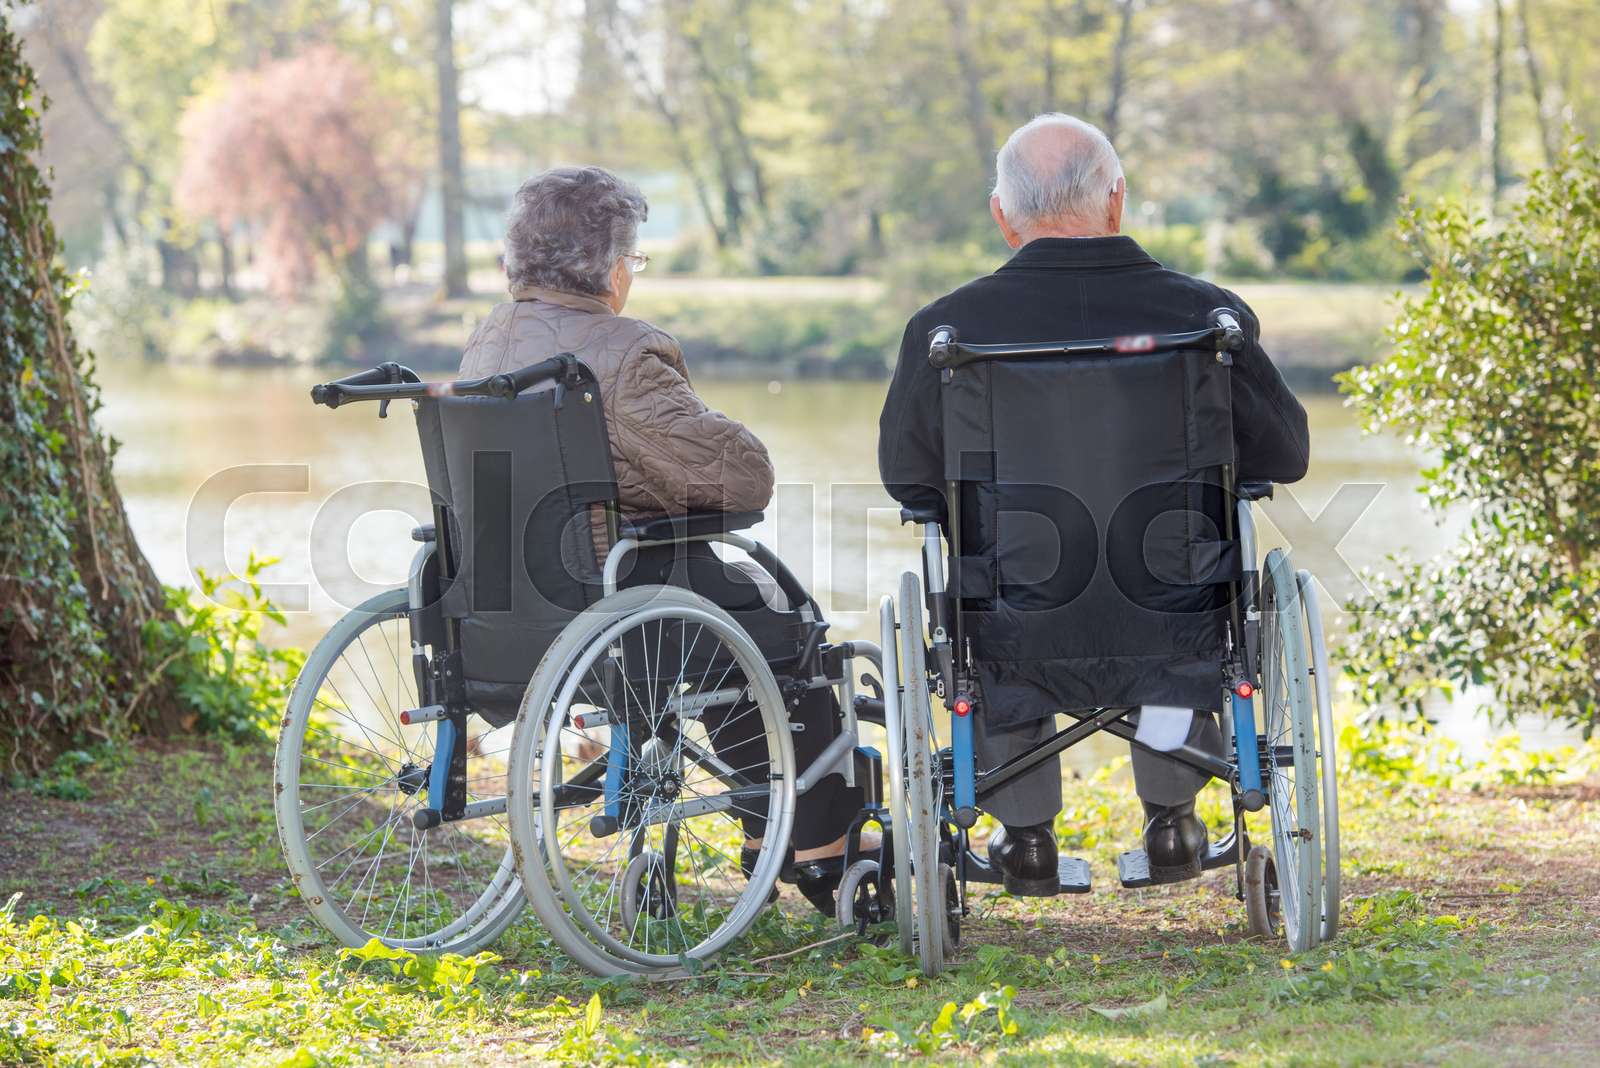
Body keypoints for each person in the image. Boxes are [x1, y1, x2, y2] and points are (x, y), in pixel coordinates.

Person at [878, 115, 1309, 892]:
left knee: (995, 618)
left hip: (1016, 612)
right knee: (1172, 624)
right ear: (1117, 201)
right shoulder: (1207, 319)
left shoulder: (947, 331)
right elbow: (1285, 455)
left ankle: (1027, 839)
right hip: (1172, 604)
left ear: (1002, 216)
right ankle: (1175, 824)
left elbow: (910, 483)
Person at [459, 165, 865, 909]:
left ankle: (763, 824)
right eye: (633, 260)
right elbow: (742, 482)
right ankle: (815, 842)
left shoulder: (486, 345)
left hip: (505, 616)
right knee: (780, 628)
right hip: (614, 605)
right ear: (612, 269)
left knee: (726, 615)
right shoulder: (623, 352)